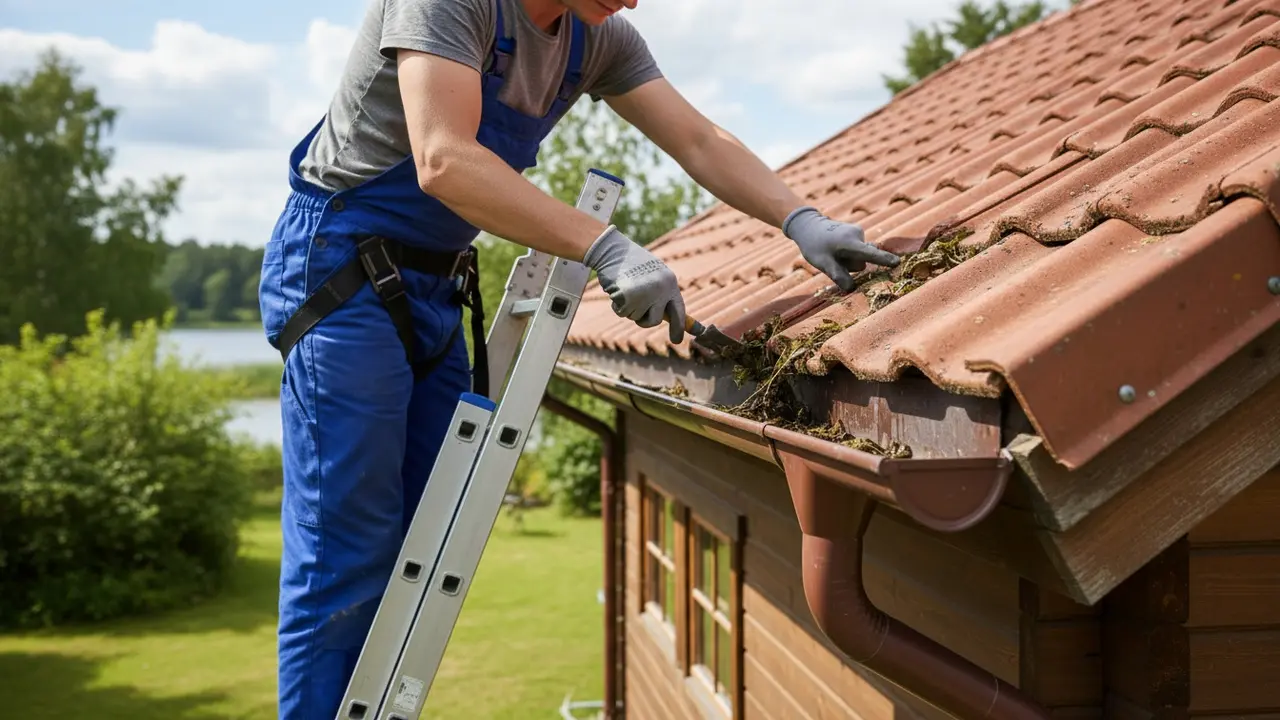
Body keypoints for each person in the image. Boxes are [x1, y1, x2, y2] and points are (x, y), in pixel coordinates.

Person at [258, 0, 901, 717]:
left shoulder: (596, 39)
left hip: (435, 285)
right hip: (342, 276)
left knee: (420, 542)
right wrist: (603, 245)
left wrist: (800, 218)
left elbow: (696, 137)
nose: (631, 2)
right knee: (346, 556)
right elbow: (442, 157)